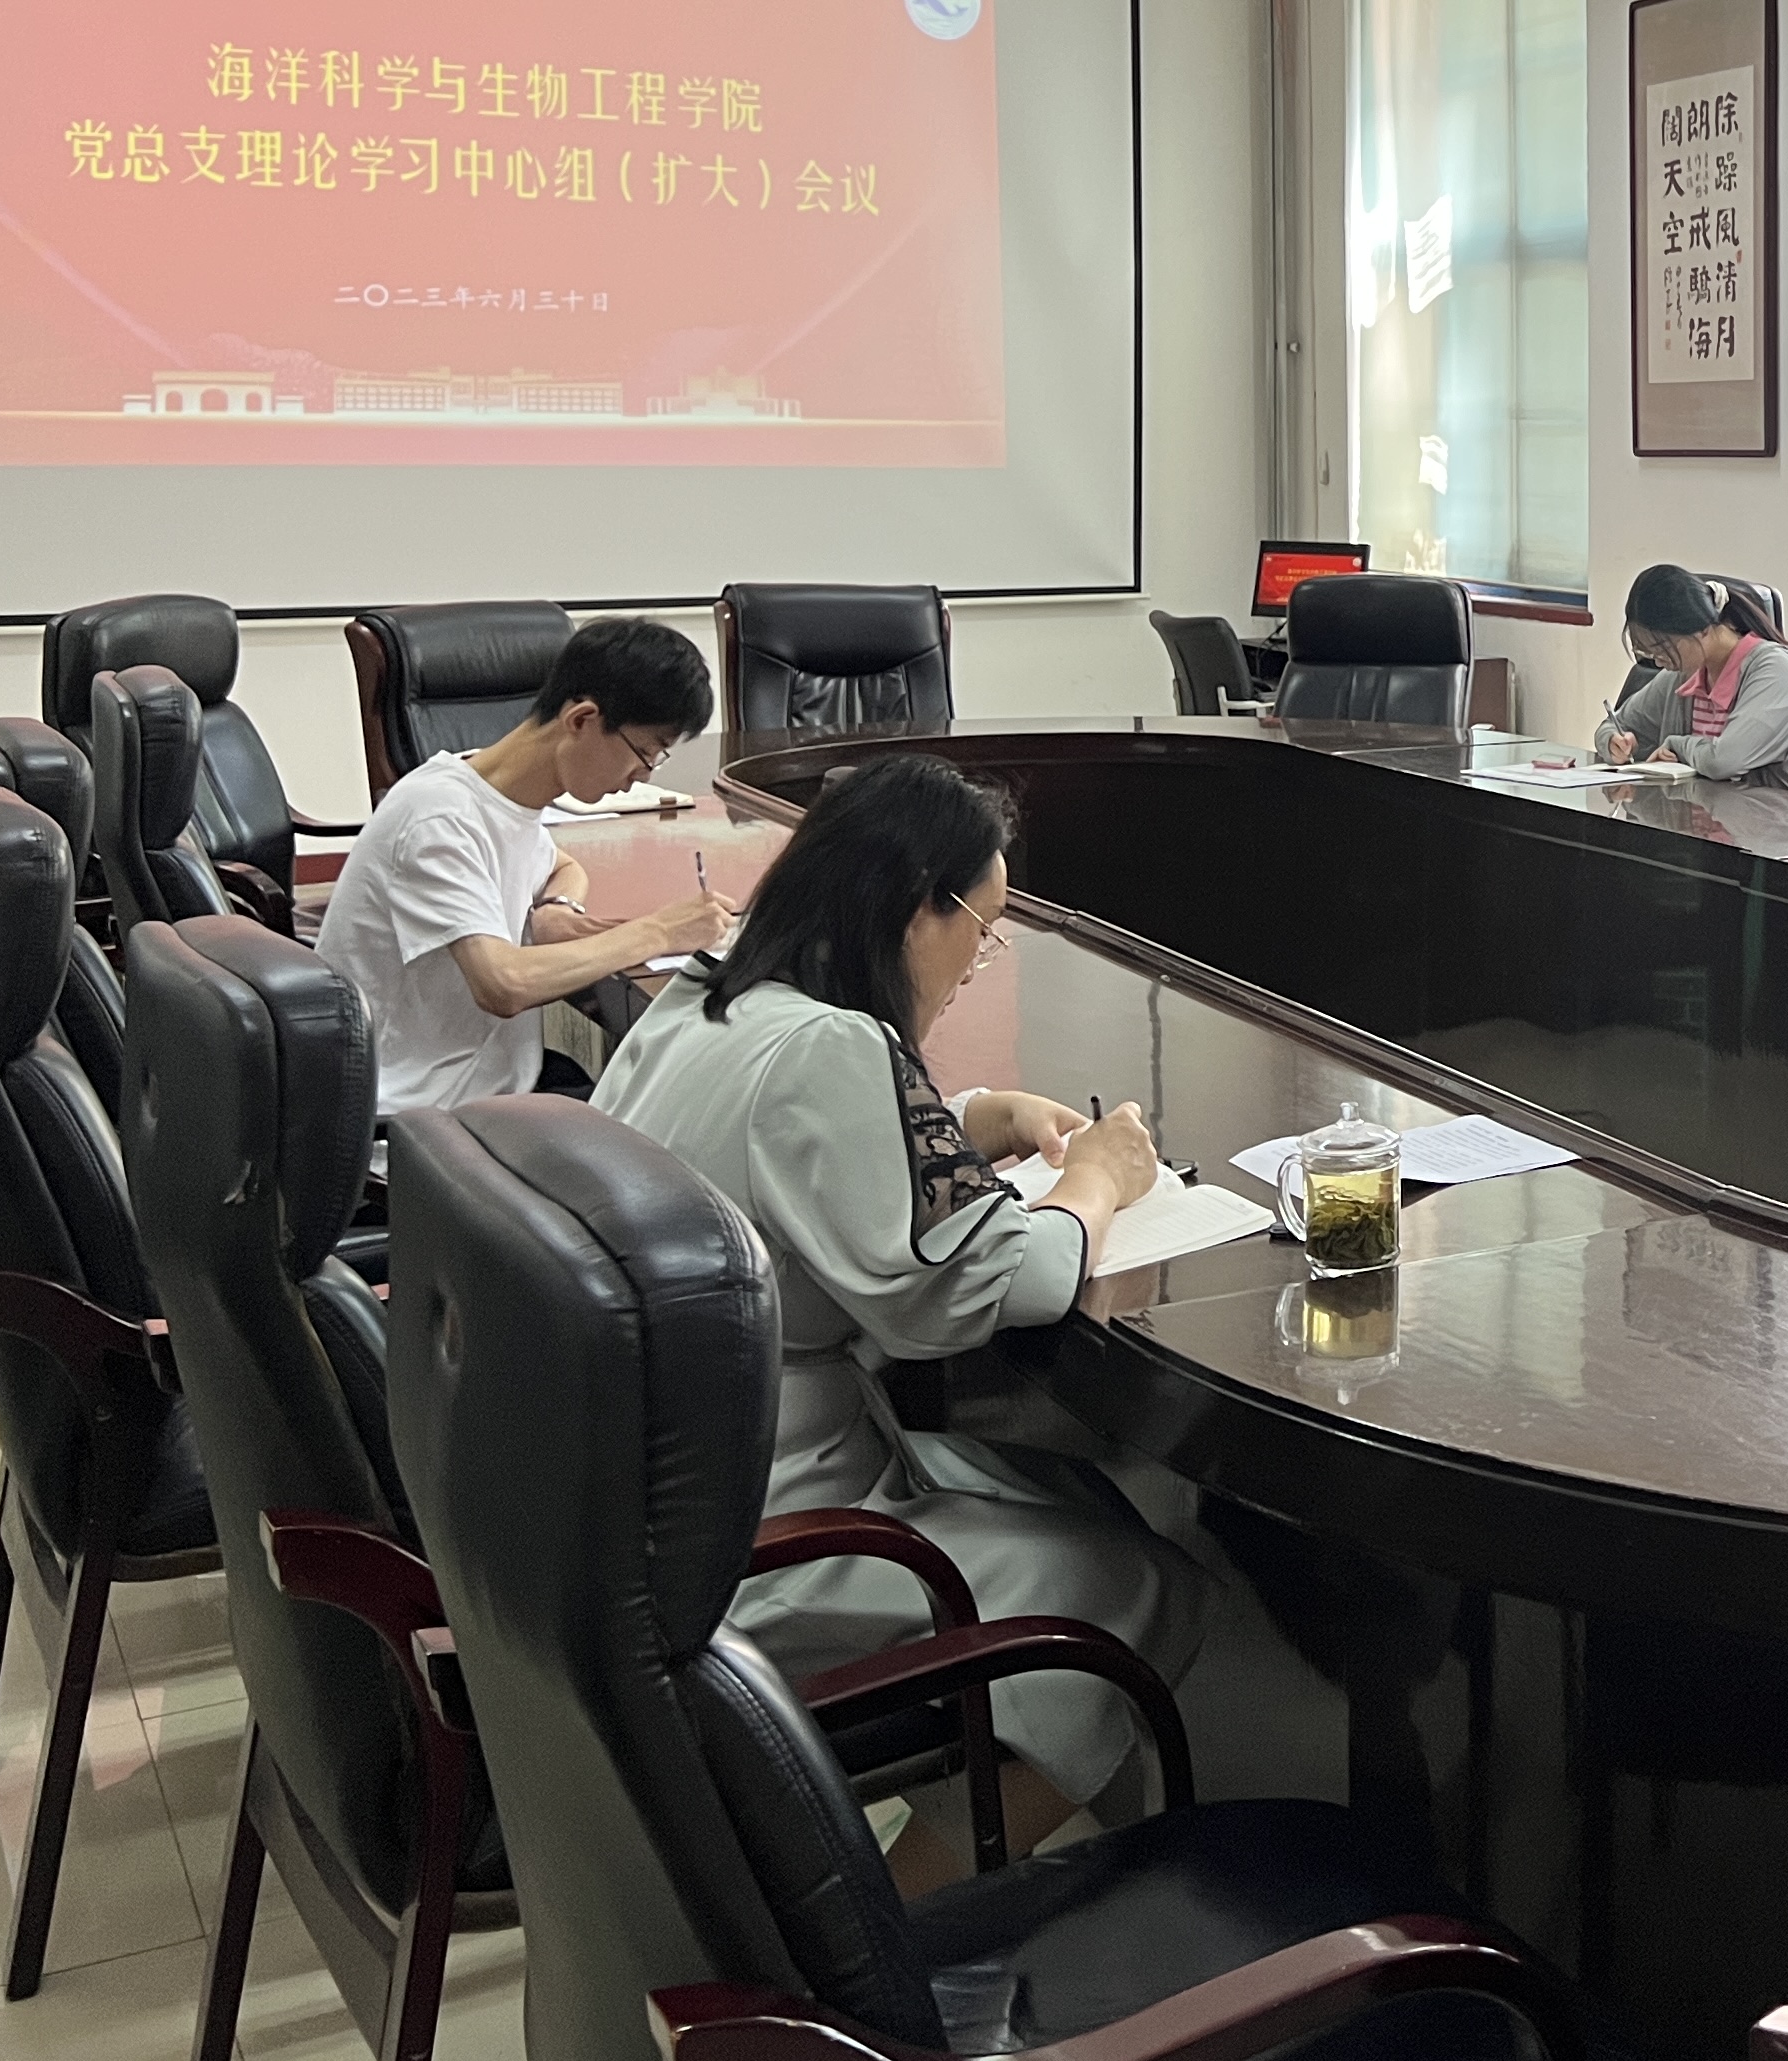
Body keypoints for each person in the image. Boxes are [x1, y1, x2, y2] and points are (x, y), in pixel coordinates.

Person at [592, 753, 1201, 1856]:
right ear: (922, 905)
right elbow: (995, 1283)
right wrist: (1096, 1182)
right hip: (755, 1529)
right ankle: (897, 1931)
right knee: (1136, 1585)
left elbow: (789, 1154)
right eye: (985, 926)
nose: (977, 961)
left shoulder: (707, 994)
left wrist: (972, 1118)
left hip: (648, 1493)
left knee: (1076, 1499)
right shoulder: (832, 1046)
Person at [313, 615, 731, 1117]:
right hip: (420, 1114)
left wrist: (557, 907)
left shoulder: (501, 791)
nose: (641, 776)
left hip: (492, 1083)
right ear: (582, 719)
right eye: (644, 753)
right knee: (684, 1115)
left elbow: (561, 865)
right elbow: (504, 985)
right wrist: (659, 932)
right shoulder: (438, 817)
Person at [1595, 564, 1788, 791]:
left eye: (1663, 649)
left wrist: (1678, 745)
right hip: (1704, 814)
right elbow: (1615, 724)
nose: (1658, 662)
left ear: (1702, 629)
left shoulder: (1773, 670)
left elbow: (1725, 761)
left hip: (1780, 815)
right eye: (1651, 653)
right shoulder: (1684, 677)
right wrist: (1612, 742)